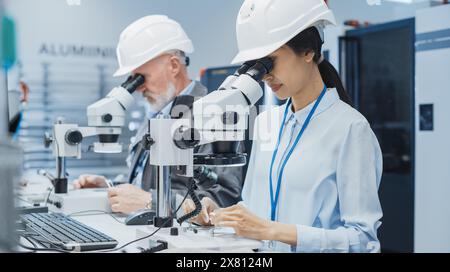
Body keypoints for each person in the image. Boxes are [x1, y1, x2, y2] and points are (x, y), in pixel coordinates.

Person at [184, 0, 383, 253]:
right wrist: (218, 214)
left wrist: (273, 230)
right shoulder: (267, 121)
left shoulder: (351, 129)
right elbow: (255, 207)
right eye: (257, 65)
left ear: (309, 51)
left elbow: (362, 240)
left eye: (270, 61)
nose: (265, 75)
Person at [73, 15, 243, 215]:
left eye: (142, 78)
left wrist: (152, 203)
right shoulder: (158, 115)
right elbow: (144, 184)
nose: (138, 88)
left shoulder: (213, 114)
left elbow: (224, 197)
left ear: (173, 65)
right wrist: (111, 186)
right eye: (134, 80)